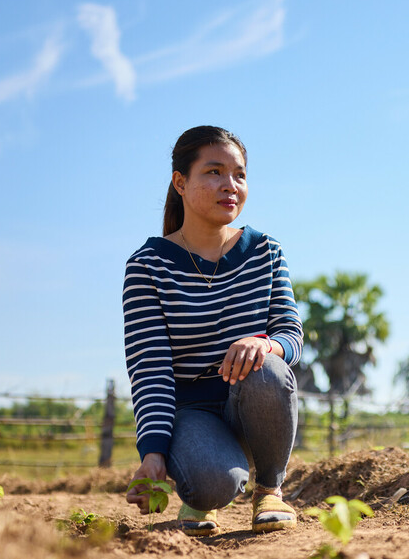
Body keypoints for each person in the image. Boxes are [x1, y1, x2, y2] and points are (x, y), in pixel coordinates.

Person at [123, 125, 303, 536]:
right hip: (192, 415)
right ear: (180, 182)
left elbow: (292, 337)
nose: (230, 185)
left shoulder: (266, 251)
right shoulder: (148, 266)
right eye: (214, 172)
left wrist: (265, 344)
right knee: (211, 485)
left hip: (255, 402)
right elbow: (150, 368)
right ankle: (203, 486)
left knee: (270, 368)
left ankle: (270, 490)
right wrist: (152, 452)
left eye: (239, 174)